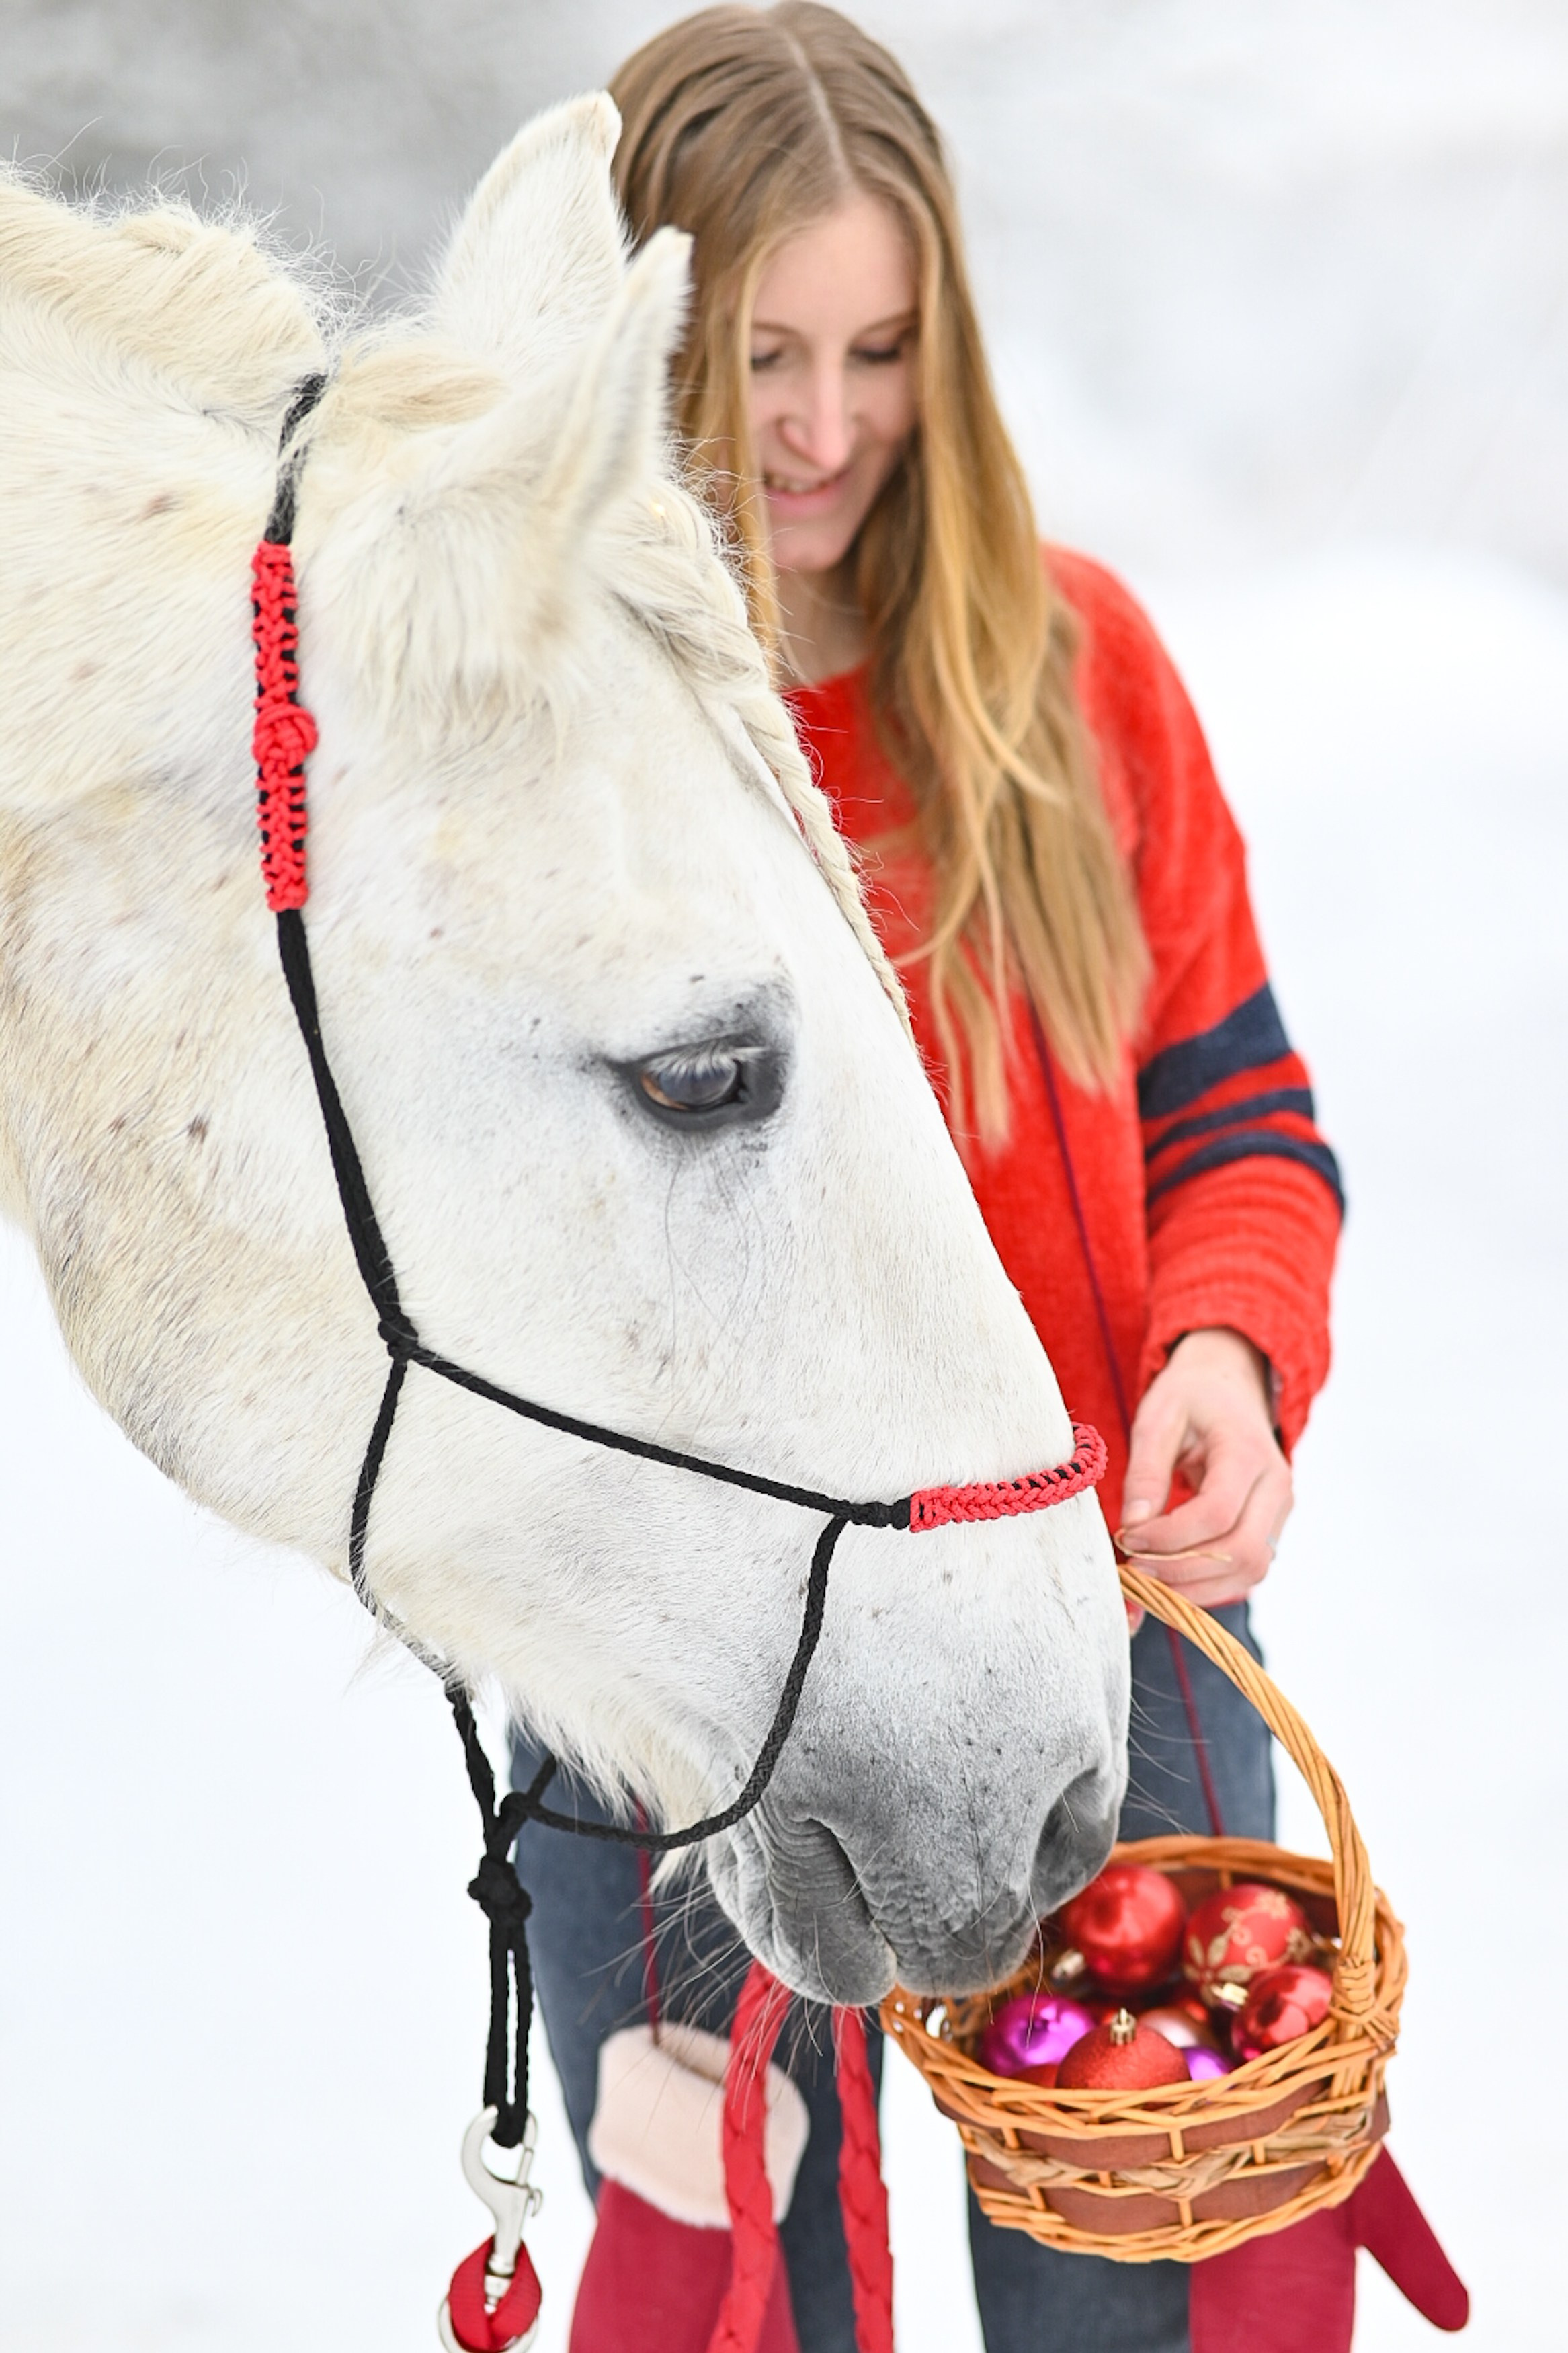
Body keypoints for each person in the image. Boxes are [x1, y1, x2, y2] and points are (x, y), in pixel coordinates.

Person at [512, 9, 1342, 2351]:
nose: (820, 425)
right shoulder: (561, 746)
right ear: (637, 333)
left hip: (1107, 1674)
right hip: (675, 1726)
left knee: (1141, 2308)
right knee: (735, 2305)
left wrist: (1226, 1351)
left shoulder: (1078, 679)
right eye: (759, 351)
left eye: (879, 349)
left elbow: (1244, 1116)